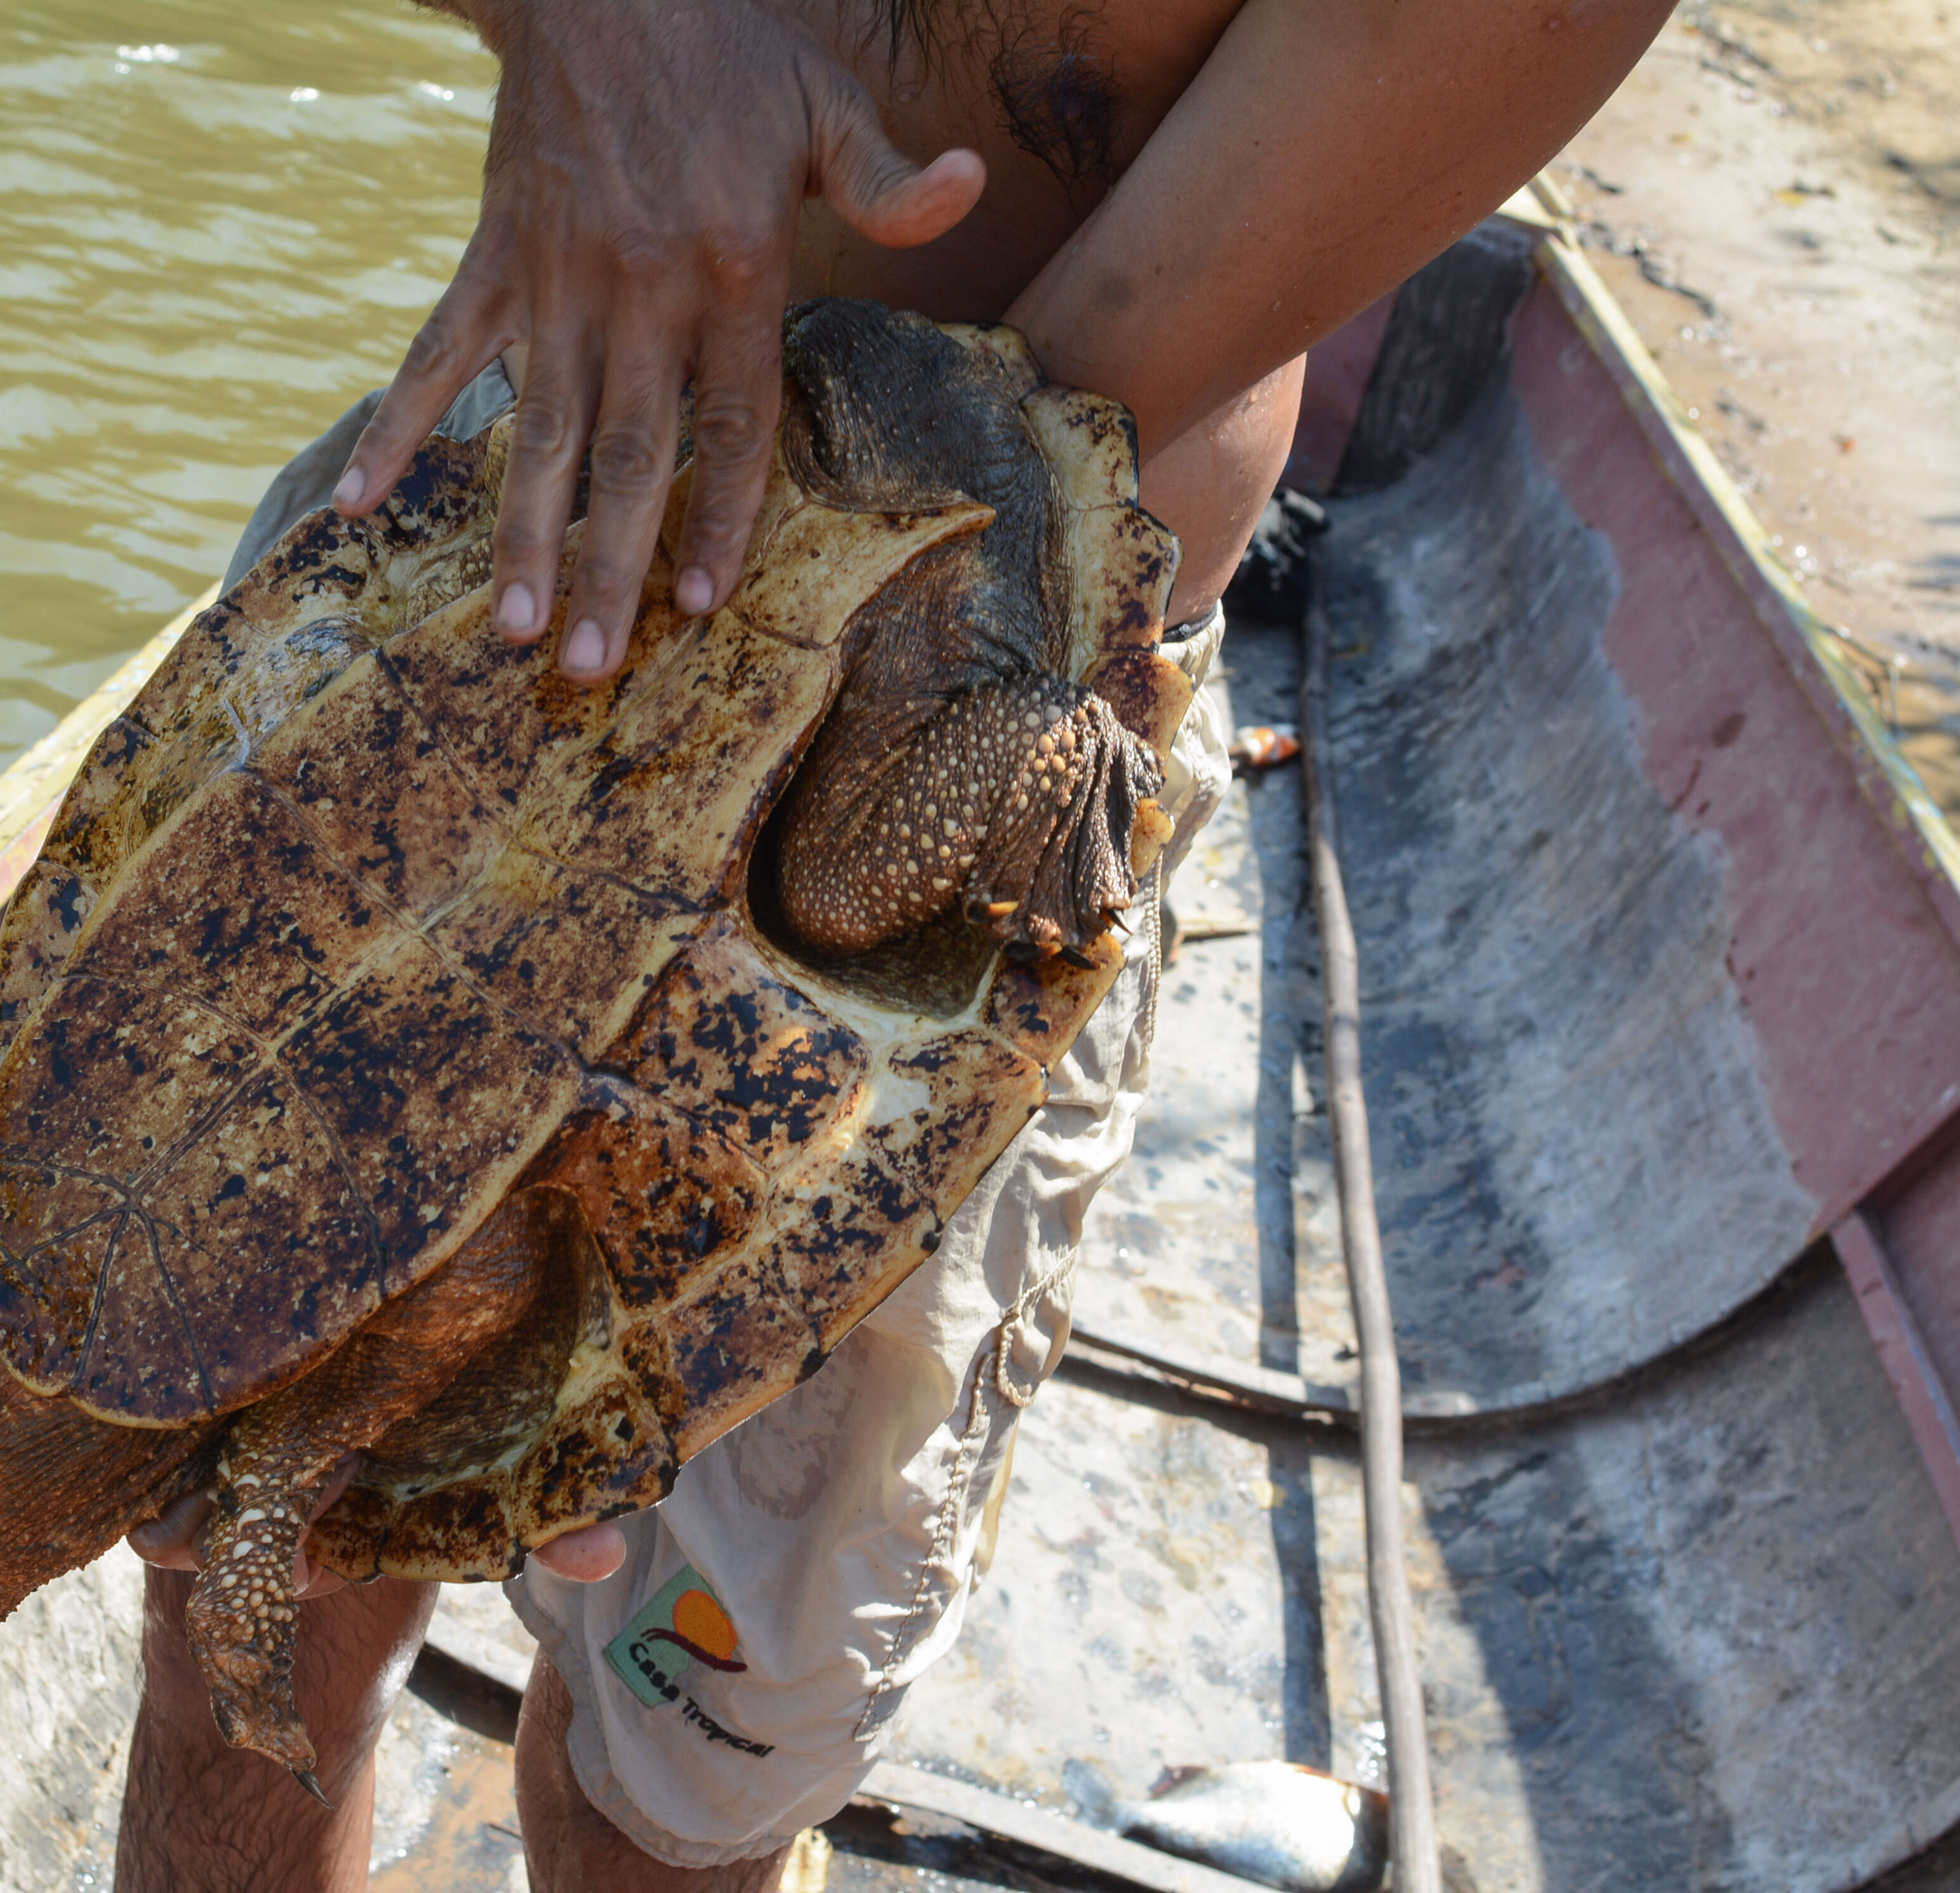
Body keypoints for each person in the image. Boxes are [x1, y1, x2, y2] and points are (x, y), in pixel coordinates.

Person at [114, 2, 1670, 1887]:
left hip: (956, 785)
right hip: (503, 567)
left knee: (674, 1801)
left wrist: (949, 519)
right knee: (239, 1606)